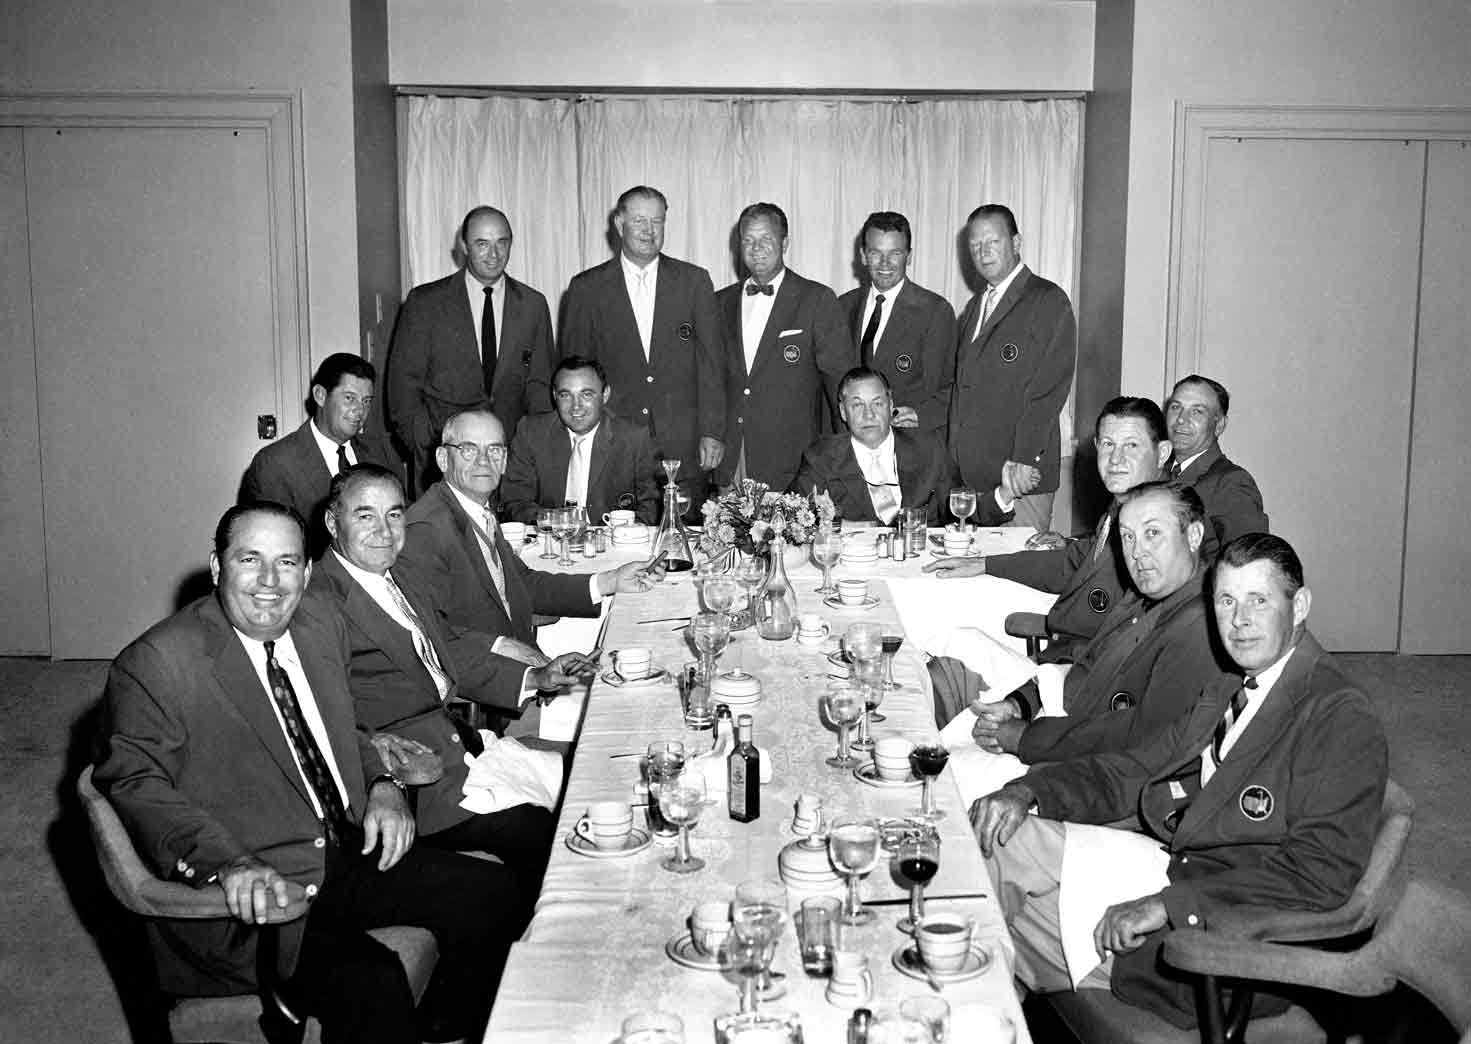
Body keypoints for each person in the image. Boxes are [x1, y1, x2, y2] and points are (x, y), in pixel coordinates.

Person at [94, 502, 520, 1043]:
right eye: (250, 560)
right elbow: (135, 784)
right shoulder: (158, 662)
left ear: (308, 572)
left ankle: (441, 1026)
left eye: (288, 563)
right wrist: (229, 864)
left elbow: (345, 729)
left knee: (498, 894)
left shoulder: (318, 625)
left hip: (339, 850)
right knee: (374, 982)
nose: (270, 582)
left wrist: (381, 785)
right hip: (257, 897)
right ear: (217, 567)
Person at [971, 533, 1388, 1028]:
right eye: (1226, 601)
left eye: (1259, 600)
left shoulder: (1339, 714)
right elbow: (1141, 765)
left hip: (1225, 940)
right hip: (1174, 857)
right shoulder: (1234, 681)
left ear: (1299, 606)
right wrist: (1032, 790)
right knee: (997, 836)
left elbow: (1319, 874)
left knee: (985, 918)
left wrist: (1167, 907)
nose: (1240, 621)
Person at [309, 464, 559, 904]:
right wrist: (380, 776)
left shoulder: (400, 576)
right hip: (418, 783)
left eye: (394, 514)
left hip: (459, 745)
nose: (384, 530)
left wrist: (534, 676)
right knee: (541, 835)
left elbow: (443, 648)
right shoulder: (320, 603)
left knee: (571, 791)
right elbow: (321, 715)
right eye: (365, 516)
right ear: (333, 522)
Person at [393, 409, 660, 737]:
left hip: (515, 675)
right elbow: (429, 639)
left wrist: (610, 580)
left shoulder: (474, 511)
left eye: (494, 450)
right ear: (442, 458)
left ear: (505, 461)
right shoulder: (425, 529)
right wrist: (513, 655)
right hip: (484, 690)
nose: (483, 461)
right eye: (468, 449)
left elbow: (524, 583)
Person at [962, 482, 1232, 764]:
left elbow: (1137, 741)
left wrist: (1024, 738)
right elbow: (1087, 664)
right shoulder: (1141, 599)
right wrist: (1020, 704)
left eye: (1152, 533)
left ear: (1194, 535)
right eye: (1128, 537)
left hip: (1089, 765)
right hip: (1061, 729)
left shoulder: (1201, 630)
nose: (1137, 552)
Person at [927, 397, 1174, 658]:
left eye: (1132, 445)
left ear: (1163, 453)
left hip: (1080, 669)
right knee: (949, 640)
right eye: (1108, 444)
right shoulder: (1125, 507)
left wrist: (1031, 692)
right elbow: (1073, 561)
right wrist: (985, 564)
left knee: (948, 651)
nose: (1115, 459)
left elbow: (1127, 644)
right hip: (1065, 651)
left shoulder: (1163, 530)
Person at [558, 186, 725, 511]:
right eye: (639, 221)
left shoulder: (694, 282)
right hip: (613, 442)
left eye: (657, 222)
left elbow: (712, 365)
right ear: (619, 224)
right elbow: (574, 374)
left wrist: (713, 431)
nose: (649, 231)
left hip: (684, 445)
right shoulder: (586, 289)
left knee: (683, 547)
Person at [386, 206, 556, 494]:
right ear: (464, 246)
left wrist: (533, 452)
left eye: (502, 243)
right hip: (443, 463)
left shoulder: (533, 305)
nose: (493, 254)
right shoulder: (425, 303)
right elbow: (403, 387)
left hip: (510, 463)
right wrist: (426, 445)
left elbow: (539, 386)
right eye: (482, 244)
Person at [949, 204, 1076, 531]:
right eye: (975, 245)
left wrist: (1025, 458)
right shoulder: (976, 305)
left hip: (1018, 477)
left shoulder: (1047, 300)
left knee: (1018, 573)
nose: (983, 251)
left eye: (992, 241)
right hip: (974, 481)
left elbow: (1048, 391)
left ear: (1017, 243)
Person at [714, 202, 855, 493]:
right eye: (748, 240)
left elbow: (840, 385)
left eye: (766, 239)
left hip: (794, 462)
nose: (756, 248)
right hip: (730, 461)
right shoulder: (719, 303)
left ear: (785, 242)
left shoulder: (816, 300)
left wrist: (844, 459)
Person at [790, 367, 1031, 526]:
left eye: (877, 403)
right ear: (843, 411)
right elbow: (794, 519)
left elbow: (962, 510)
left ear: (891, 404)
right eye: (857, 406)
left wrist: (1005, 493)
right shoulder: (821, 457)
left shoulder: (929, 448)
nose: (869, 415)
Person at [240, 352, 395, 557]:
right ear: (320, 395)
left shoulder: (379, 451)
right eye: (349, 398)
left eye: (366, 401)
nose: (359, 411)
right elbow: (274, 549)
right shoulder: (275, 463)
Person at [498, 356, 660, 525]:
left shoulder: (634, 438)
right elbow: (515, 501)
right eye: (565, 395)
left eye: (586, 394)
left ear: (605, 395)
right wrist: (557, 522)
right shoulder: (530, 432)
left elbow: (651, 506)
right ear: (554, 396)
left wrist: (623, 533)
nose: (576, 406)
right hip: (551, 542)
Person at [836, 212, 957, 435]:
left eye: (895, 253)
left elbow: (951, 387)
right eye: (875, 253)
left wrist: (921, 414)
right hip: (849, 448)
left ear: (909, 256)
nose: (885, 263)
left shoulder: (935, 311)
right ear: (863, 255)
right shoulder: (842, 307)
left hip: (908, 447)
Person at [1165, 374, 1269, 548]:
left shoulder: (1231, 483)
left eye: (1197, 411)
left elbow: (1248, 563)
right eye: (1176, 407)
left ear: (1219, 425)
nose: (1181, 419)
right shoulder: (1157, 472)